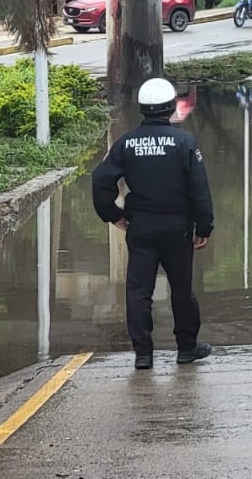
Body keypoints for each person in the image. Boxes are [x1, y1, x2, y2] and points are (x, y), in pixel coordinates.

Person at [91, 77, 215, 369]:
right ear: (172, 107)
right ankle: (186, 348)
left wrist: (113, 214)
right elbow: (200, 188)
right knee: (181, 290)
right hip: (177, 229)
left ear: (142, 109)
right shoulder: (184, 142)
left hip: (141, 229)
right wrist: (204, 226)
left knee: (139, 292)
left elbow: (100, 179)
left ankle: (143, 355)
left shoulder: (126, 143)